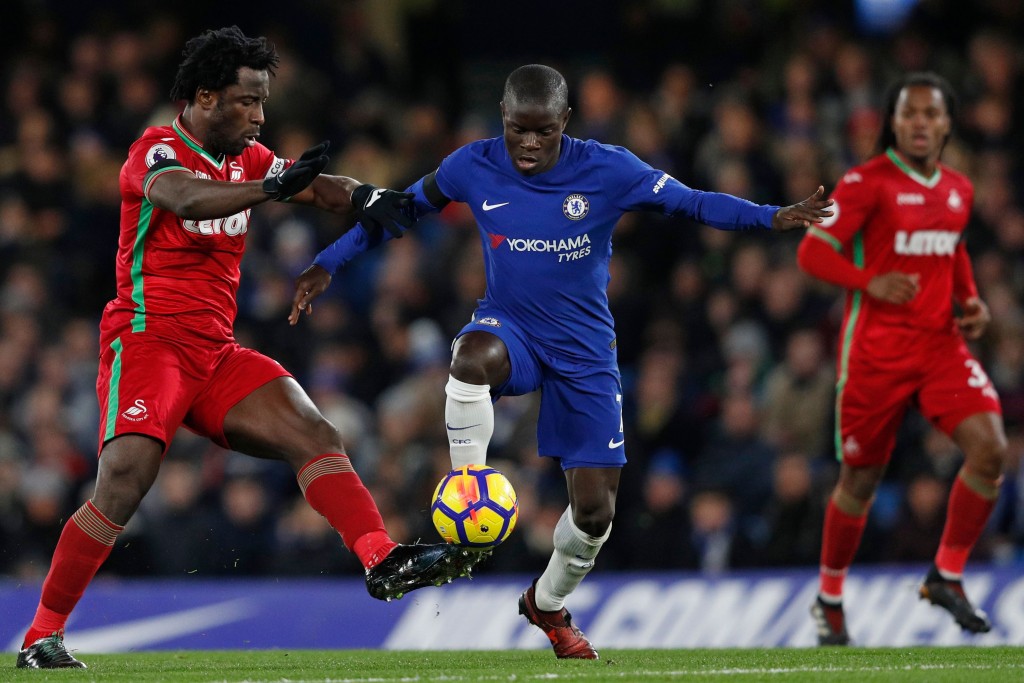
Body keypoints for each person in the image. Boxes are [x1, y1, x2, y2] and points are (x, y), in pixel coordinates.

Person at [290, 64, 833, 659]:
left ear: (565, 122)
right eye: (516, 129)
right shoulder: (471, 164)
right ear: (502, 118)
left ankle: (545, 604)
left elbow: (692, 203)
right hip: (512, 328)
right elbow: (397, 211)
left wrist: (771, 216)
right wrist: (328, 262)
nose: (526, 143)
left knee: (595, 512)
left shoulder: (609, 168)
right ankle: (468, 487)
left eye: (541, 131)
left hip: (584, 349)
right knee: (470, 356)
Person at [15, 26, 483, 670]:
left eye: (263, 103)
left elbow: (316, 186)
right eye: (248, 102)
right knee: (123, 484)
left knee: (314, 432)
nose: (260, 117)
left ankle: (381, 558)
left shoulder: (252, 157)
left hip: (215, 353)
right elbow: (183, 196)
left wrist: (373, 198)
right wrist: (273, 189)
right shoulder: (153, 151)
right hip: (148, 341)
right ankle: (41, 634)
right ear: (206, 97)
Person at [797, 72, 1007, 646]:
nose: (920, 123)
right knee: (859, 480)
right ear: (893, 120)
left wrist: (970, 300)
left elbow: (953, 247)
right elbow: (813, 251)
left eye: (931, 114)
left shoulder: (959, 188)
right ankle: (830, 598)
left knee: (990, 452)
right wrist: (870, 281)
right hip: (876, 357)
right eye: (909, 113)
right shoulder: (866, 182)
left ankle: (947, 574)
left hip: (941, 348)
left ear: (946, 123)